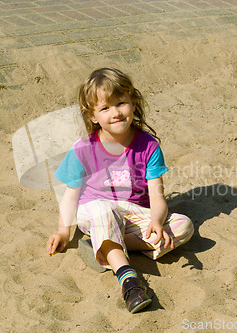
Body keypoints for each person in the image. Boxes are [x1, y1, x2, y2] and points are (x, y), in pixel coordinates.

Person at [46, 68, 194, 313]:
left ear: (133, 103)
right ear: (93, 116)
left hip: (132, 212)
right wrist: (63, 232)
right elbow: (70, 195)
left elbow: (157, 196)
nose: (115, 113)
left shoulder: (148, 146)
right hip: (94, 211)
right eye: (105, 108)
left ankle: (101, 245)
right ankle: (128, 280)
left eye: (121, 103)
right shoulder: (83, 148)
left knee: (183, 226)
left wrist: (156, 220)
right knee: (102, 209)